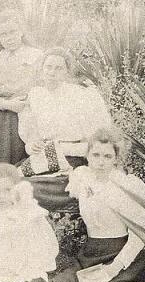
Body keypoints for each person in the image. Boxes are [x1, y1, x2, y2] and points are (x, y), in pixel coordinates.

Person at [47, 127, 145, 282]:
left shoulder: (129, 185)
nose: (101, 162)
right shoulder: (82, 177)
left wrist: (115, 266)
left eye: (107, 156)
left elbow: (141, 234)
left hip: (120, 255)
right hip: (90, 254)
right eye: (95, 155)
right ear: (87, 155)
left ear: (116, 158)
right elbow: (69, 188)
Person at [17, 47, 112, 211]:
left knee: (26, 187)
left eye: (58, 68)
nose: (52, 72)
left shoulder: (80, 95)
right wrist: (32, 144)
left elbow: (96, 137)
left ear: (67, 72)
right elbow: (30, 132)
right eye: (48, 67)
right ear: (42, 69)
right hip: (44, 155)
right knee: (10, 180)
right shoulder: (36, 95)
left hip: (71, 157)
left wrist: (67, 148)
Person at [0, 10, 43, 178]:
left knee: (21, 166)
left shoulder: (36, 56)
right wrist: (7, 104)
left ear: (21, 31)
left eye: (12, 32)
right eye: (3, 34)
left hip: (25, 115)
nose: (9, 38)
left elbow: (42, 89)